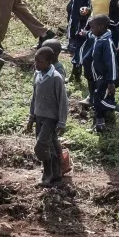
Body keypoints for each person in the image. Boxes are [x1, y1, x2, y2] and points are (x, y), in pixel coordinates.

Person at [27, 43, 69, 188]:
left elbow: (63, 101)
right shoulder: (37, 75)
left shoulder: (56, 78)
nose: (36, 64)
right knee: (50, 145)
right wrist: (31, 117)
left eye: (40, 61)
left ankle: (47, 173)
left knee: (40, 146)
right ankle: (57, 173)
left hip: (51, 118)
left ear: (49, 62)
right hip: (39, 117)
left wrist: (62, 122)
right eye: (36, 60)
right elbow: (34, 97)